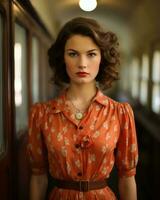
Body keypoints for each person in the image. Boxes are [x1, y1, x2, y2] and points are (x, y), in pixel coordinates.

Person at [27, 17, 138, 200]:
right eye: (73, 54)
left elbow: (127, 178)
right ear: (62, 58)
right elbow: (38, 177)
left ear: (102, 58)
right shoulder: (42, 114)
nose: (82, 63)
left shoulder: (120, 113)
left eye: (91, 54)